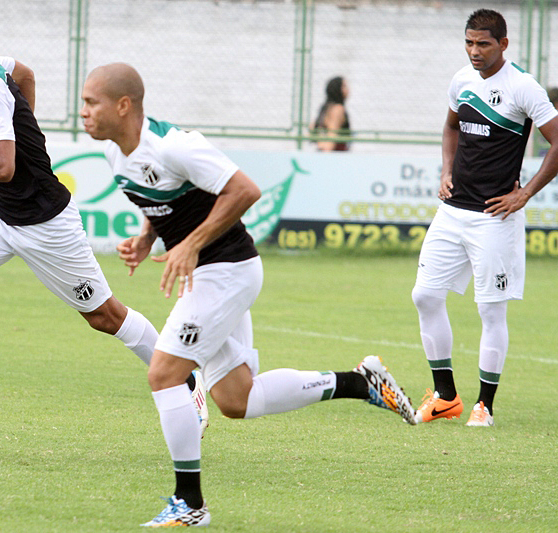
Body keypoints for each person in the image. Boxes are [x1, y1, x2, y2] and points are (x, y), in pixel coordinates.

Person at [81, 62, 416, 527]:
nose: (83, 112)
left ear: (123, 105)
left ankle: (190, 503)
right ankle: (360, 382)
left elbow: (244, 190)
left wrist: (191, 245)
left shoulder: (175, 145)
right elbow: (163, 200)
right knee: (236, 400)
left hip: (226, 271)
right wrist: (146, 238)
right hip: (214, 274)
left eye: (90, 103)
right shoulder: (115, 152)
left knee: (164, 373)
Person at [0, 1, 207, 446]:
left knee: (104, 316)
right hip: (0, 213)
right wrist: (25, 125)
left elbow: (2, 166)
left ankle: (187, 380)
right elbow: (26, 74)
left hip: (45, 222)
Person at [412, 9, 558, 428]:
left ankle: (484, 406)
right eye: (469, 43)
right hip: (452, 211)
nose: (474, 51)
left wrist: (524, 193)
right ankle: (445, 397)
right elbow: (451, 127)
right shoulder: (462, 80)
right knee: (424, 296)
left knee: (490, 311)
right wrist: (446, 170)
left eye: (483, 44)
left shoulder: (523, 87)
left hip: (494, 218)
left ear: (503, 44)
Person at [311, 76, 350, 151]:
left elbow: (313, 127)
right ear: (337, 89)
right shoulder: (338, 109)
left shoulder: (326, 108)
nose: (348, 89)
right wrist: (326, 152)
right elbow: (332, 135)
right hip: (335, 153)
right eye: (344, 86)